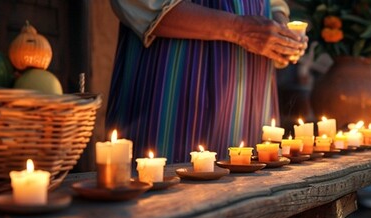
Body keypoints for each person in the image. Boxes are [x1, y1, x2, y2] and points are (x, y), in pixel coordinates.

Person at [107, 0, 308, 162]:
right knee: (171, 187)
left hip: (250, 84)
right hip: (176, 80)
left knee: (246, 186)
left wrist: (281, 32)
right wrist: (239, 29)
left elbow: (272, 4)